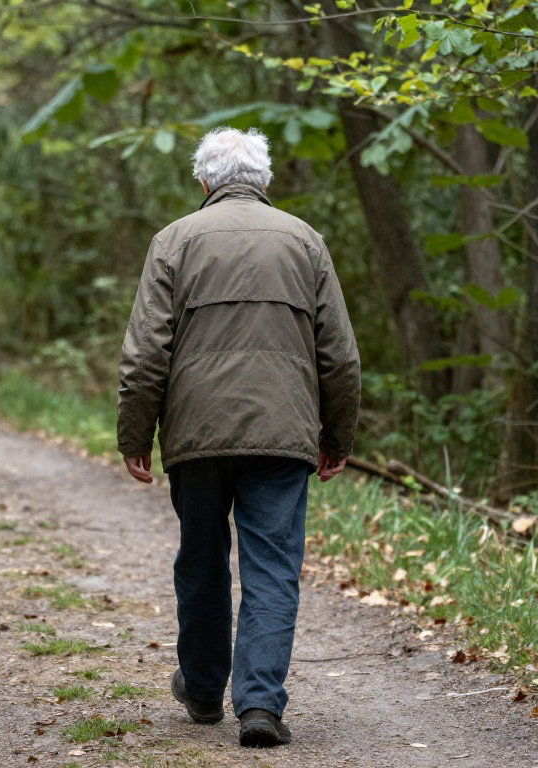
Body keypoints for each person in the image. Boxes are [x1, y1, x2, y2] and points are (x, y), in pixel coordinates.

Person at [115, 127, 360, 748]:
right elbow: (340, 356)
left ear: (204, 182)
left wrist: (135, 433)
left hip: (196, 434)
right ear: (265, 182)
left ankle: (201, 691)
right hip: (283, 435)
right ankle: (259, 705)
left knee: (200, 559)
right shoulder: (306, 241)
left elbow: (146, 353)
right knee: (272, 567)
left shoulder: (174, 241)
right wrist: (339, 434)